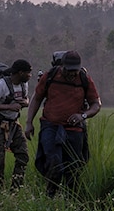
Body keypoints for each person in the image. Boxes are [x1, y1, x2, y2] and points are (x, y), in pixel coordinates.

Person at [24, 50, 102, 197]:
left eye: (75, 71)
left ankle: (71, 199)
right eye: (68, 70)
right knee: (54, 162)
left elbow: (96, 104)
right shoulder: (50, 76)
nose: (72, 74)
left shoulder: (84, 79)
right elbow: (36, 99)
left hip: (74, 130)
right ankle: (50, 196)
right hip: (50, 126)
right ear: (62, 67)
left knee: (74, 167)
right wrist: (29, 122)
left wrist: (83, 116)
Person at [0, 59, 32, 191]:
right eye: (28, 73)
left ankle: (15, 190)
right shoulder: (0, 85)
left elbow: (27, 98)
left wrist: (25, 102)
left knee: (23, 156)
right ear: (20, 73)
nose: (30, 76)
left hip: (14, 126)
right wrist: (9, 106)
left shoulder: (23, 84)